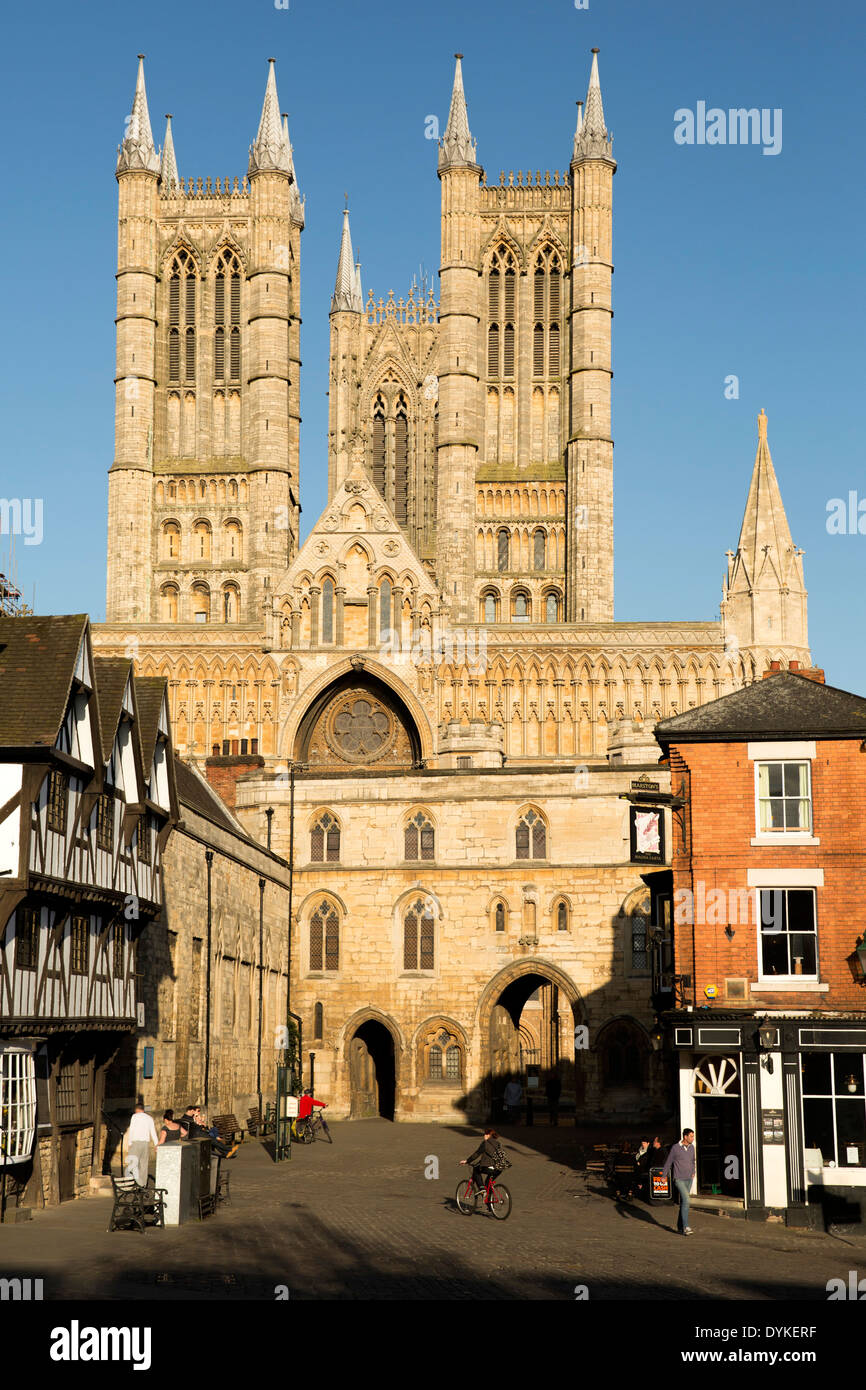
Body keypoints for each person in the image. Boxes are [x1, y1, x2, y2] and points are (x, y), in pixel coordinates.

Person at [662, 1127, 696, 1235]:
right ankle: (686, 1227)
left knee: (683, 1203)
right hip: (679, 1179)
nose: (693, 1138)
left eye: (693, 1136)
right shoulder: (675, 1148)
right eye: (691, 1136)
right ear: (685, 1137)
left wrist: (693, 1171)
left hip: (689, 1179)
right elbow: (668, 1162)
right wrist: (663, 1176)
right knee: (687, 1200)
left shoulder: (692, 1148)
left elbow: (692, 1161)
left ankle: (680, 1227)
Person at [460, 1127, 509, 1196]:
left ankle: (481, 1188)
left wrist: (467, 1161)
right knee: (488, 1183)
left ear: (488, 1135)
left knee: (476, 1170)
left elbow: (477, 1153)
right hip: (499, 1168)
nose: (484, 1136)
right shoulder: (498, 1143)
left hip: (489, 1167)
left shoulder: (485, 1143)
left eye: (485, 1134)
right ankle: (489, 1204)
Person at [125, 1102, 159, 1185]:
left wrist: (129, 1143)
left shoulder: (134, 1117)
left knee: (132, 1162)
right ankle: (143, 1184)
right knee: (144, 1164)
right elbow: (153, 1132)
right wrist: (156, 1144)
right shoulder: (149, 1118)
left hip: (136, 1142)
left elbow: (132, 1130)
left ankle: (137, 1181)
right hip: (145, 1143)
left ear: (136, 1109)